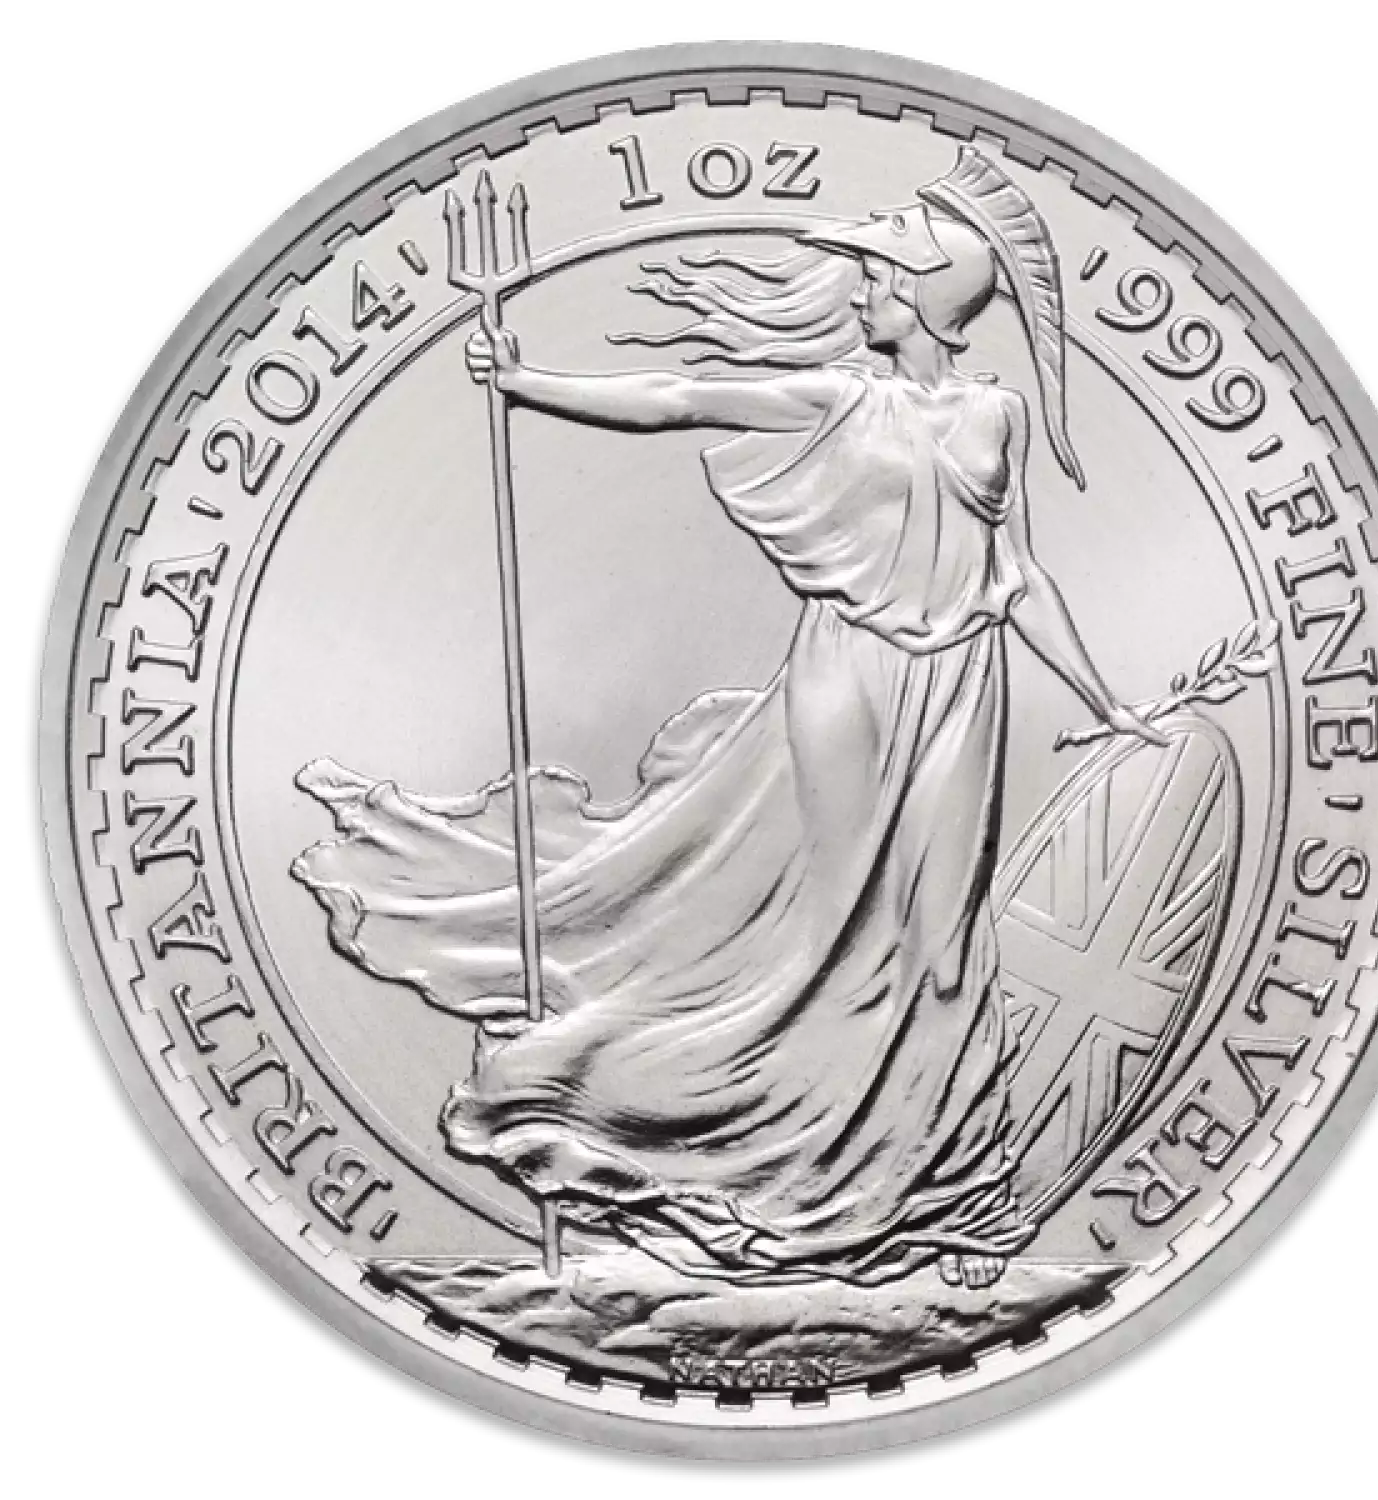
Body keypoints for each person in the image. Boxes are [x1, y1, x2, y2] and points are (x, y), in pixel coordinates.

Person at [293, 146, 1163, 1291]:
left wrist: (1107, 702)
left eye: (880, 276)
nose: (860, 292)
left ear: (924, 294)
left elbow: (1021, 576)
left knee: (947, 942)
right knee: (840, 939)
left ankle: (951, 1194)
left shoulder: (996, 415)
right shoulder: (839, 398)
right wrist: (524, 382)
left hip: (964, 685)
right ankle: (795, 1173)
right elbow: (679, 397)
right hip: (846, 682)